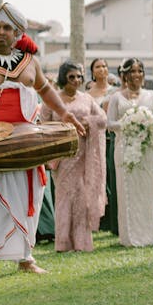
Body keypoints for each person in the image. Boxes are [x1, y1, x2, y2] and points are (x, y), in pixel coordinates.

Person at [0, 3, 85, 281]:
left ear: (16, 32)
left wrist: (66, 114)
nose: (1, 32)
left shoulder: (30, 62)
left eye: (7, 28)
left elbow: (45, 89)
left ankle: (25, 258)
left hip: (28, 144)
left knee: (27, 201)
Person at [41, 61, 108, 252]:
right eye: (72, 77)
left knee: (81, 196)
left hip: (84, 155)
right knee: (63, 197)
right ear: (64, 78)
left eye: (79, 76)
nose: (76, 80)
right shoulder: (53, 100)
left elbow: (102, 119)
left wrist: (89, 122)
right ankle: (63, 242)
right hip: (62, 155)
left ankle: (82, 242)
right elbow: (43, 123)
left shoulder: (86, 99)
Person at [107, 58, 153, 247]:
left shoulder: (152, 95)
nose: (136, 75)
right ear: (124, 75)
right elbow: (109, 124)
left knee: (147, 189)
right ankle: (130, 236)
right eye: (132, 71)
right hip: (125, 148)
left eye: (140, 71)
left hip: (147, 148)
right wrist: (130, 122)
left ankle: (149, 234)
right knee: (128, 191)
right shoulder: (116, 98)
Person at [87, 58, 120, 236]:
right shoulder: (88, 94)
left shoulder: (116, 91)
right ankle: (97, 217)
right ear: (92, 71)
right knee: (98, 178)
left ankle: (113, 218)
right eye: (98, 67)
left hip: (114, 138)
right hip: (95, 141)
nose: (102, 69)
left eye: (105, 66)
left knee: (113, 176)